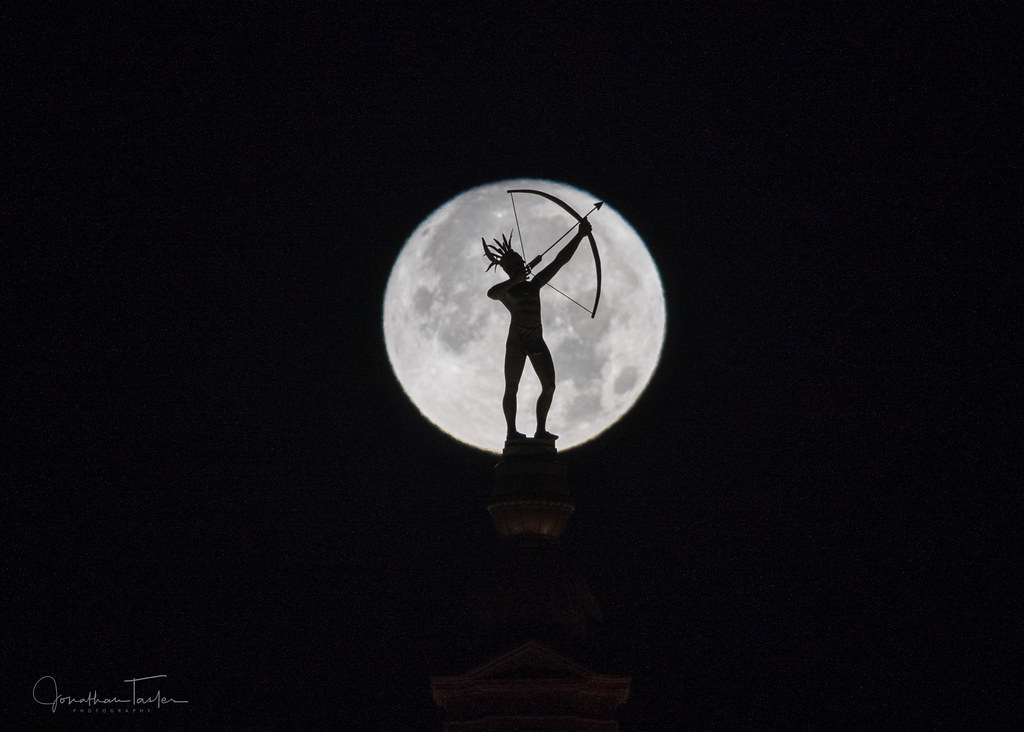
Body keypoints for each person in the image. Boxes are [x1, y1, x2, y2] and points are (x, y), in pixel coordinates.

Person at [482, 219, 592, 441]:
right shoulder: (506, 290)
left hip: (535, 338)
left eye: (521, 262)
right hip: (517, 340)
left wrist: (580, 235)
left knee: (549, 386)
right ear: (507, 269)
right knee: (512, 386)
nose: (521, 265)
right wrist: (515, 279)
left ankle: (541, 430)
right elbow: (491, 293)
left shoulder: (533, 285)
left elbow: (559, 261)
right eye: (515, 264)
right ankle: (511, 433)